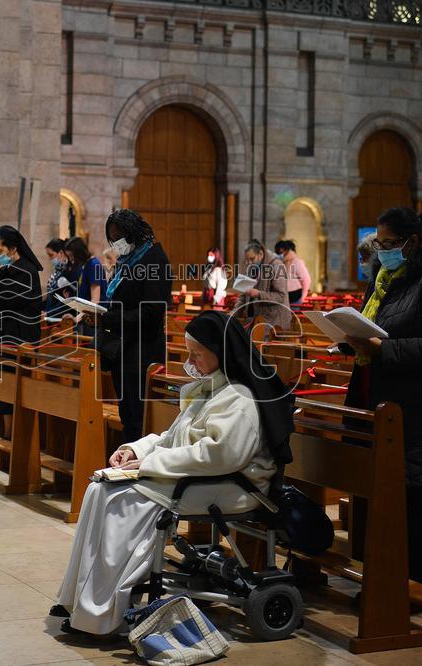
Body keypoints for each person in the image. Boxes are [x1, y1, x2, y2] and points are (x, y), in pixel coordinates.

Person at [53, 311, 294, 635]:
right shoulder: (213, 386)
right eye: (188, 352)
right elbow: (174, 437)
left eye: (197, 353)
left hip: (234, 485)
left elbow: (220, 455)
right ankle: (77, 600)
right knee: (99, 487)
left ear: (220, 351)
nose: (190, 361)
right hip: (201, 477)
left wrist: (150, 465)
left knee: (123, 501)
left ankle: (101, 614)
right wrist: (137, 451)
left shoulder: (240, 397)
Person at [341, 208, 422, 586]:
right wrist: (349, 342)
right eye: (379, 243)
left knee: (411, 498)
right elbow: (374, 326)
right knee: (383, 492)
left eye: (389, 243)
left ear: (412, 242)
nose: (382, 250)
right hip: (376, 396)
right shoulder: (385, 278)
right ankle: (383, 576)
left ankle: (416, 583)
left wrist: (381, 348)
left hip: (415, 408)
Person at [92, 209, 171, 443]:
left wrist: (107, 319)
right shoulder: (127, 262)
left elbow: (152, 312)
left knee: (139, 418)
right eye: (112, 238)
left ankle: (137, 469)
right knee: (127, 414)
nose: (116, 243)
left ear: (133, 232)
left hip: (142, 352)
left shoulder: (154, 260)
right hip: (123, 350)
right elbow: (120, 304)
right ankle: (125, 465)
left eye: (119, 236)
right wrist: (97, 314)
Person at [0, 225, 43, 439]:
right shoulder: (6, 270)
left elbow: (6, 301)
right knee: (1, 391)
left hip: (19, 339)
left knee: (11, 391)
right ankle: (5, 439)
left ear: (13, 247)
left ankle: (13, 440)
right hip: (2, 337)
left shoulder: (26, 271)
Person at [235, 240, 291, 331]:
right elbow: (243, 294)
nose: (249, 263)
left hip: (274, 322)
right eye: (247, 259)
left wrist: (258, 294)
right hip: (255, 320)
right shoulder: (251, 266)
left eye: (252, 259)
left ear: (260, 253)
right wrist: (233, 313)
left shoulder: (276, 265)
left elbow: (280, 296)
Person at [64, 237, 107, 304]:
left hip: (95, 313)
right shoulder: (86, 265)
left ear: (79, 254)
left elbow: (95, 300)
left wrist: (82, 314)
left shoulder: (93, 265)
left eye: (71, 256)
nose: (70, 259)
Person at [274, 240, 312, 306]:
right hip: (282, 298)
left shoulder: (297, 262)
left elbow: (306, 280)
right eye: (279, 252)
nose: (281, 254)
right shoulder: (279, 263)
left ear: (288, 250)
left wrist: (302, 298)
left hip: (295, 299)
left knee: (294, 316)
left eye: (283, 251)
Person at [43, 238, 72, 316]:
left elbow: (65, 301)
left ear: (61, 253)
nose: (49, 259)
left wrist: (48, 314)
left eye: (51, 255)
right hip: (50, 315)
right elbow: (51, 296)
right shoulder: (57, 272)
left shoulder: (68, 272)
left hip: (61, 317)